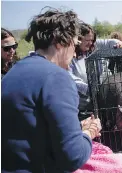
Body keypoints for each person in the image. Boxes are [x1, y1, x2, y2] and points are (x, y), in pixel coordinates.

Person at [1, 8, 101, 173]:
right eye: (75, 44)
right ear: (60, 42)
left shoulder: (14, 71)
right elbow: (73, 157)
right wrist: (89, 132)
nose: (75, 53)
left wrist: (75, 127)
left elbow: (32, 128)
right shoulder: (57, 77)